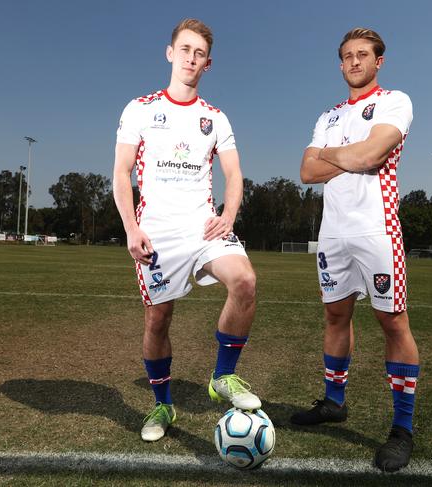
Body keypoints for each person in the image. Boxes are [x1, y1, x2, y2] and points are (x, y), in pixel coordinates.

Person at [113, 18, 260, 443]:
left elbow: (234, 176)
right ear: (170, 52)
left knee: (245, 281)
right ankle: (162, 403)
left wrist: (228, 215)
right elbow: (121, 173)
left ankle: (223, 377)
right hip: (157, 234)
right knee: (158, 320)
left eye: (199, 53)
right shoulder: (138, 109)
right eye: (185, 49)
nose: (191, 58)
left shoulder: (215, 118)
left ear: (207, 64)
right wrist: (130, 228)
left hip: (203, 227)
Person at [291, 27, 419, 473]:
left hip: (376, 230)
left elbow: (371, 157)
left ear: (378, 61)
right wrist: (349, 152)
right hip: (333, 233)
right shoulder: (327, 115)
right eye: (346, 56)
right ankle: (333, 401)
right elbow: (307, 171)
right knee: (334, 315)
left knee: (392, 322)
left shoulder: (394, 102)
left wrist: (333, 155)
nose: (354, 62)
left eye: (362, 55)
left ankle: (402, 427)